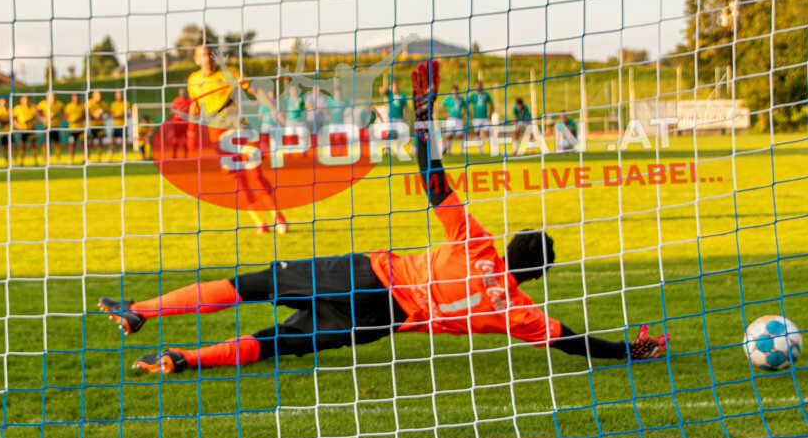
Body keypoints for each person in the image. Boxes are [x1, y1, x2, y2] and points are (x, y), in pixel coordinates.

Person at [98, 60, 668, 374]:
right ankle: (182, 359)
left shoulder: (478, 247)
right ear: (535, 279)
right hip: (379, 325)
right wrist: (631, 351)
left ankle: (142, 311)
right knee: (275, 344)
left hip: (368, 275)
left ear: (511, 246)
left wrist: (423, 118)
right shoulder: (517, 312)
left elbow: (433, 182)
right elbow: (574, 342)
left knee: (252, 285)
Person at [187, 44, 286, 235]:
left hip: (242, 131)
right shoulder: (193, 80)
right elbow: (195, 106)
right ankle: (260, 223)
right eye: (202, 56)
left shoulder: (229, 72)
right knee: (239, 181)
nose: (207, 59)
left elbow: (254, 90)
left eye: (209, 55)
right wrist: (191, 131)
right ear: (196, 59)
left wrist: (273, 109)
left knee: (256, 175)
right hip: (218, 138)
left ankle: (277, 216)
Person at [36, 91, 64, 163]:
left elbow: (64, 112)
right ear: (47, 96)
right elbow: (36, 111)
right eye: (51, 96)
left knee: (57, 143)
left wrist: (61, 119)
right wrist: (41, 118)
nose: (53, 97)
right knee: (46, 143)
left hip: (56, 126)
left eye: (54, 95)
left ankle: (58, 159)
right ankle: (45, 160)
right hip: (47, 127)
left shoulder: (59, 104)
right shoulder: (43, 104)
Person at [438, 84, 466, 155]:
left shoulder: (461, 99)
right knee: (449, 135)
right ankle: (449, 151)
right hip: (451, 119)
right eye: (454, 91)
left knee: (460, 135)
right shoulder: (448, 98)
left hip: (459, 119)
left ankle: (461, 150)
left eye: (456, 91)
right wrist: (445, 114)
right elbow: (441, 106)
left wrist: (463, 114)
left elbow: (466, 108)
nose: (455, 93)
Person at [12, 95, 38, 165]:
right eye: (24, 100)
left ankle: (35, 160)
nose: (26, 102)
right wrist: (17, 125)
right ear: (21, 101)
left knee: (33, 145)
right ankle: (21, 161)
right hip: (23, 129)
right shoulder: (18, 108)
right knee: (22, 145)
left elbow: (38, 116)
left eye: (27, 100)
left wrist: (36, 123)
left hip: (32, 129)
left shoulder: (33, 107)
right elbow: (12, 118)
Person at [466, 80, 493, 145]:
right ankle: (480, 150)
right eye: (477, 85)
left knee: (488, 131)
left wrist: (490, 114)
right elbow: (465, 104)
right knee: (477, 133)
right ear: (475, 87)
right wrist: (469, 114)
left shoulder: (486, 95)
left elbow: (491, 105)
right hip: (476, 118)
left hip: (485, 117)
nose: (478, 87)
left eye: (480, 85)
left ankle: (494, 149)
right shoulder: (472, 95)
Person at [65, 93, 87, 163]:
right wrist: (70, 120)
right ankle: (71, 159)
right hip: (72, 129)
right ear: (72, 98)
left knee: (84, 144)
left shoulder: (83, 106)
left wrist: (80, 119)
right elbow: (66, 115)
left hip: (81, 129)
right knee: (72, 144)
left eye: (78, 97)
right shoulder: (69, 106)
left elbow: (85, 115)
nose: (76, 98)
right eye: (75, 97)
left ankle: (86, 158)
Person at [87, 90, 109, 161]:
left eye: (99, 95)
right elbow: (85, 113)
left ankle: (99, 157)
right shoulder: (89, 103)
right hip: (92, 125)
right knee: (90, 142)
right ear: (93, 96)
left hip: (101, 125)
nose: (99, 97)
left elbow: (108, 114)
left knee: (100, 141)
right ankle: (88, 158)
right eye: (97, 95)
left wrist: (103, 116)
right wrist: (93, 115)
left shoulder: (104, 104)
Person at [108, 90, 126, 161]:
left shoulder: (126, 103)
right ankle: (109, 157)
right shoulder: (113, 104)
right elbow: (111, 115)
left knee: (123, 142)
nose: (119, 96)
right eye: (117, 95)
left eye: (120, 94)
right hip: (115, 125)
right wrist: (120, 116)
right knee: (113, 142)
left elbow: (128, 114)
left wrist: (118, 116)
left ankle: (122, 157)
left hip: (123, 125)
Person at [0, 97, 11, 165]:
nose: (4, 104)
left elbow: (12, 119)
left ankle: (14, 160)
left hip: (10, 132)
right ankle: (7, 161)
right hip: (3, 132)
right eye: (2, 103)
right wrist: (6, 120)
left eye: (5, 103)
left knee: (13, 146)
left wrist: (3, 120)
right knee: (4, 147)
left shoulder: (10, 110)